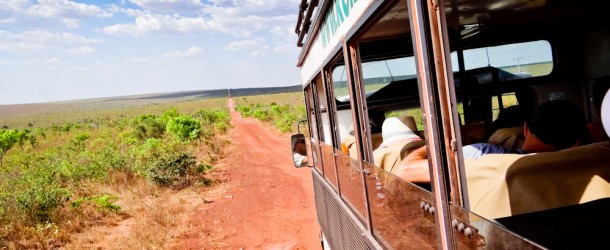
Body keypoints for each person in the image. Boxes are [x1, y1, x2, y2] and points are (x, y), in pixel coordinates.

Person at [394, 99, 588, 183]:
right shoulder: (589, 166)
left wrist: (433, 144)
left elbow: (405, 171)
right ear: (575, 144)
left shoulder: (480, 154)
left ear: (526, 128)